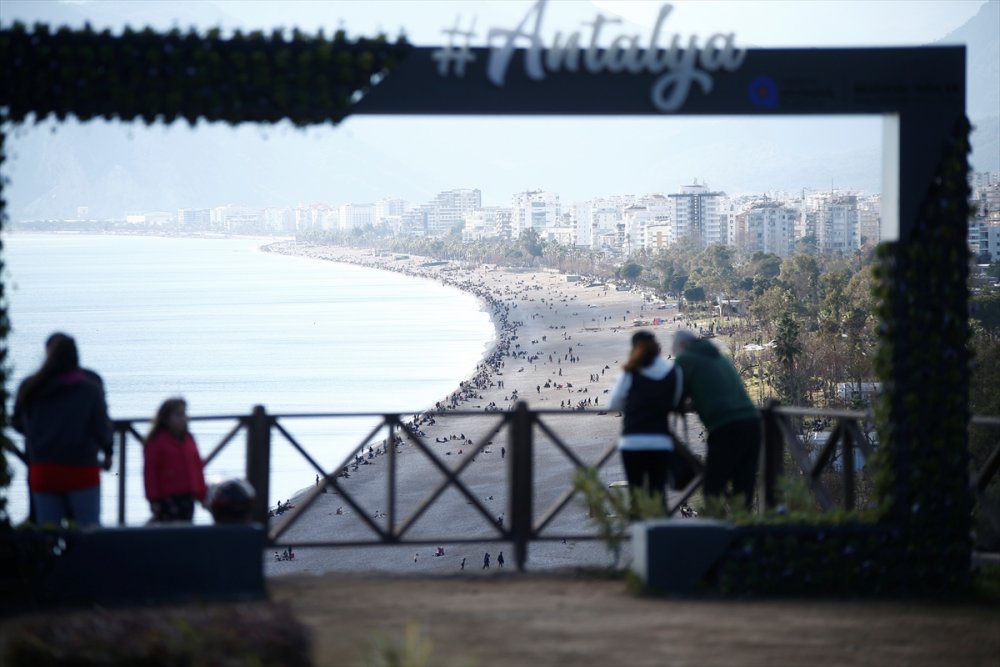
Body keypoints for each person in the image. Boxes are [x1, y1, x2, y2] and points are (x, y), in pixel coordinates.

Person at [12, 332, 113, 528]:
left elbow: (17, 422)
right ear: (76, 355)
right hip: (82, 471)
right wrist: (108, 452)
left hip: (44, 470)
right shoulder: (90, 387)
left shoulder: (30, 387)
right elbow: (102, 428)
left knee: (46, 535)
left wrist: (38, 438)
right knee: (89, 533)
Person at [672, 329, 762, 511]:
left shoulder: (685, 359)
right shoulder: (720, 358)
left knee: (712, 489)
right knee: (743, 490)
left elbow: (675, 397)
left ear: (681, 346)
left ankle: (720, 534)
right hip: (753, 423)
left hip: (726, 428)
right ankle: (743, 534)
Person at [608, 331, 683, 517]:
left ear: (633, 348)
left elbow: (614, 404)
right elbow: (676, 401)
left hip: (632, 441)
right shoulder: (672, 372)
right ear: (657, 348)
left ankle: (639, 538)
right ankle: (659, 540)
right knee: (658, 496)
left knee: (636, 497)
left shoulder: (630, 371)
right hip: (660, 441)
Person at [144, 397, 207, 522]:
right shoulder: (157, 442)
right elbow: (150, 473)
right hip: (167, 498)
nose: (183, 418)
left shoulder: (189, 439)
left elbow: (197, 467)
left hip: (189, 496)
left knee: (187, 530)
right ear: (166, 419)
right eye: (178, 415)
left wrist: (202, 494)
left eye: (184, 414)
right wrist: (153, 499)